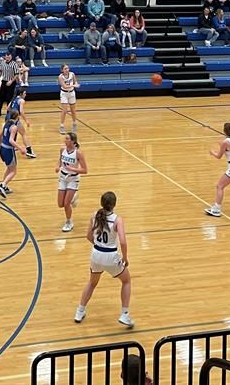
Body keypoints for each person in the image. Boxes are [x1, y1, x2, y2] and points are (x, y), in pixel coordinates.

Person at [74, 191, 133, 327]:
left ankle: (80, 310)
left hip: (96, 254)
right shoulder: (117, 219)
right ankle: (125, 314)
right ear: (114, 204)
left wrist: (99, 246)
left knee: (92, 283)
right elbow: (123, 242)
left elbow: (88, 236)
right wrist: (125, 258)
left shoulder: (94, 215)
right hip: (111, 255)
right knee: (126, 281)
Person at [57, 132, 88, 232]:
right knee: (60, 204)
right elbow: (60, 159)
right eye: (65, 138)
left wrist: (72, 169)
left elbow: (85, 170)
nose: (65, 140)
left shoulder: (78, 153)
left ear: (73, 141)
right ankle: (73, 197)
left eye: (67, 139)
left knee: (66, 204)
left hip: (73, 179)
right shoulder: (62, 149)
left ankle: (69, 222)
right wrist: (58, 166)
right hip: (62, 177)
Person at [0, 108, 27, 195]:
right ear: (17, 117)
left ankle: (3, 186)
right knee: (14, 171)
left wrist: (1, 144)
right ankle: (3, 185)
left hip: (2, 148)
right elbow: (11, 140)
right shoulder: (14, 127)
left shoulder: (5, 124)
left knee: (9, 168)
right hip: (8, 150)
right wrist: (21, 148)